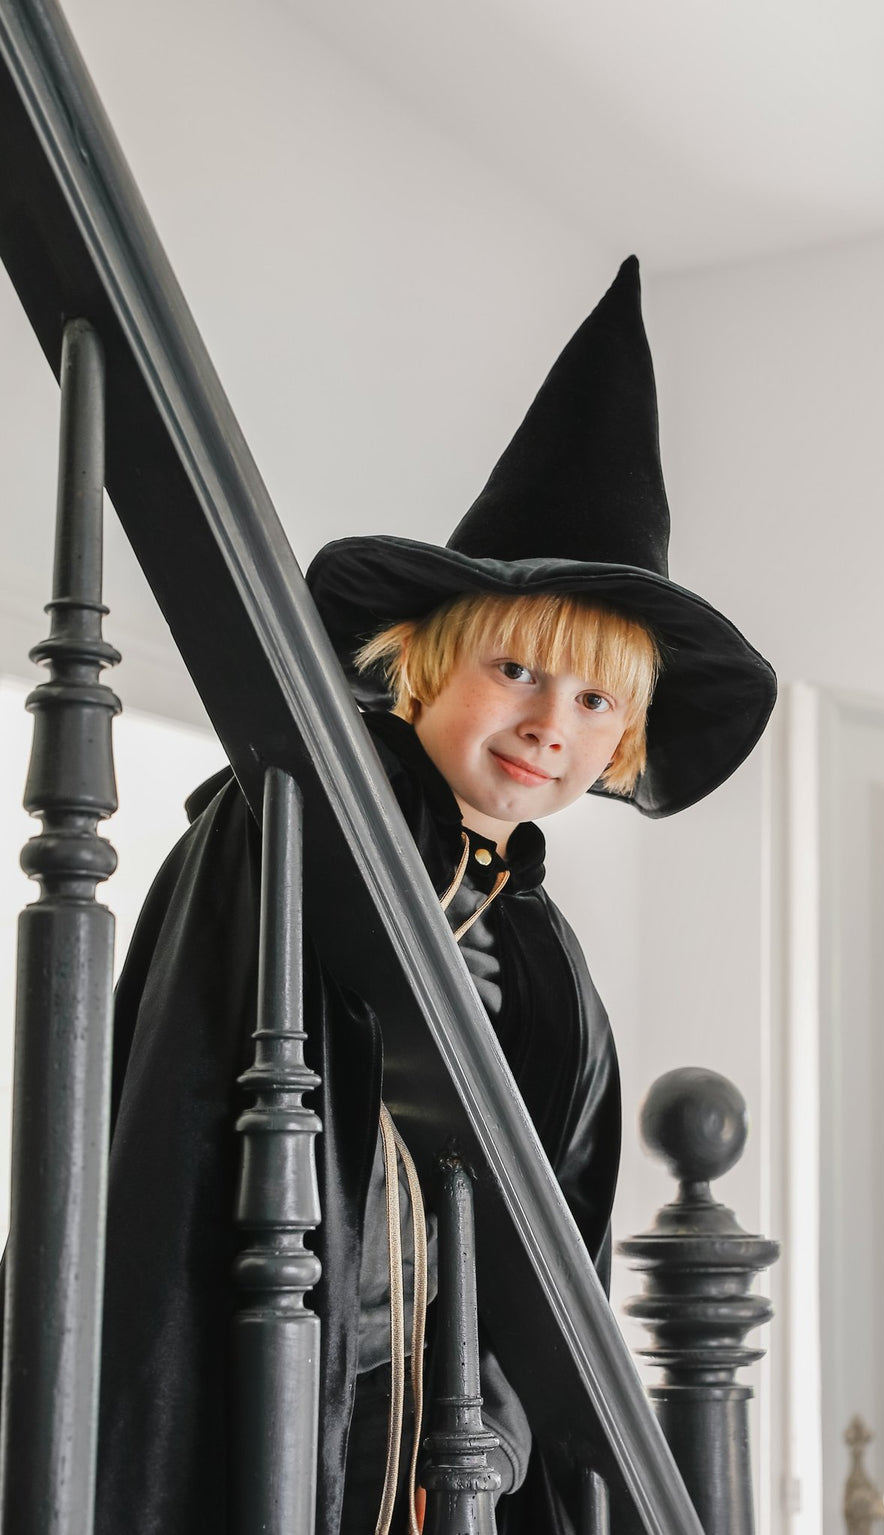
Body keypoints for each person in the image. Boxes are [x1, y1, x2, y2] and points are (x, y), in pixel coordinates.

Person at [95, 257, 776, 1534]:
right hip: (276, 1358)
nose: (549, 721)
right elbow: (181, 1110)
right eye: (516, 668)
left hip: (432, 1413)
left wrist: (488, 1434)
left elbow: (556, 1228)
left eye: (594, 698)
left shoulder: (548, 956)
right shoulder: (298, 819)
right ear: (421, 659)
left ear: (622, 740)